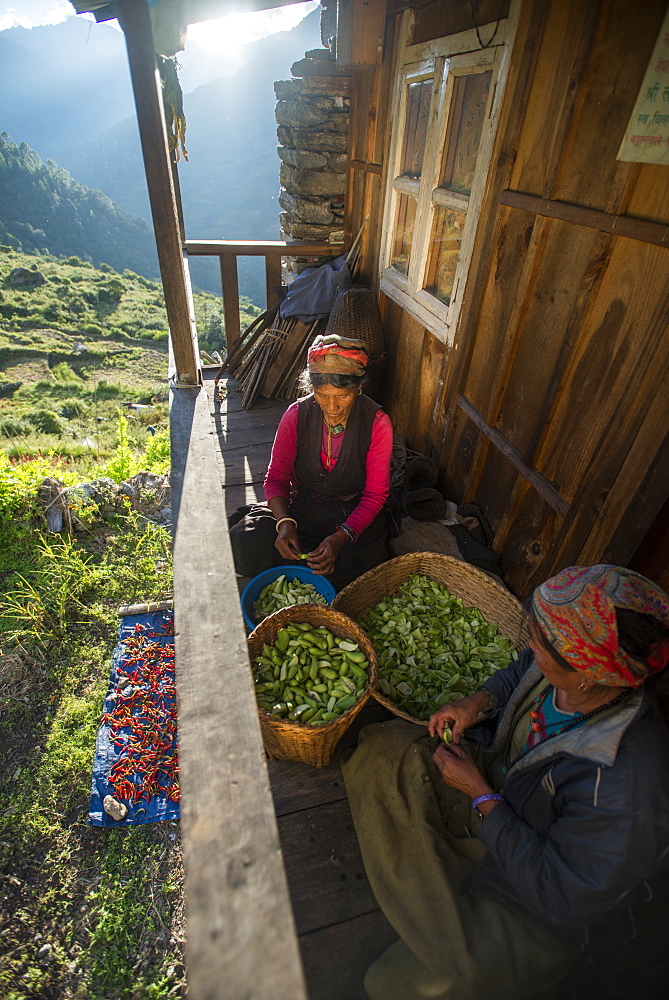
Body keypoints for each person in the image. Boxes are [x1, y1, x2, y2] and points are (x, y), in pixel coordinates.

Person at [341, 564, 669, 1000]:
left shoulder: (624, 787)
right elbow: (521, 670)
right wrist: (477, 703)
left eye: (539, 639)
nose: (530, 643)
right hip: (501, 785)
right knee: (384, 751)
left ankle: (453, 879)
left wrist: (481, 795)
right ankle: (455, 870)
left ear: (587, 675)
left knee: (414, 984)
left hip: (534, 900)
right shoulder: (564, 665)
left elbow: (561, 896)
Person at [229, 334, 393, 590]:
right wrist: (285, 524)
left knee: (360, 573)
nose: (332, 407)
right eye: (321, 395)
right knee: (245, 540)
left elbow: (374, 495)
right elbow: (276, 479)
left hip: (350, 515)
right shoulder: (296, 415)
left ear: (358, 387)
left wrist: (340, 538)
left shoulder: (377, 422)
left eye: (342, 396)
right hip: (300, 509)